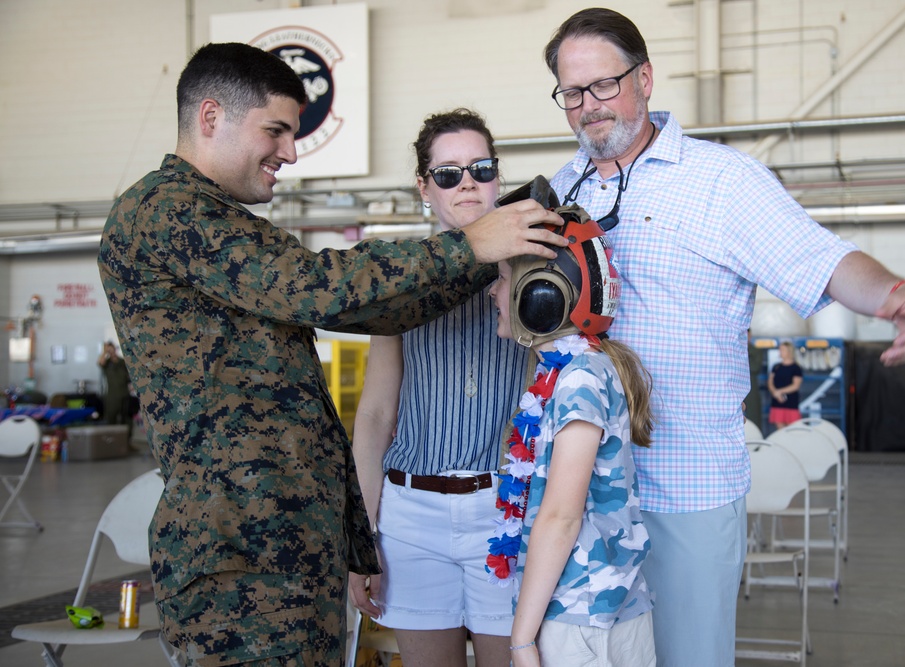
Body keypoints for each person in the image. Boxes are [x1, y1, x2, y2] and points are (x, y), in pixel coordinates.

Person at [98, 43, 566, 667]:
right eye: (277, 130)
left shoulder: (220, 222)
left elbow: (373, 309)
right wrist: (470, 248)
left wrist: (496, 262)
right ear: (210, 117)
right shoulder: (170, 213)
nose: (290, 152)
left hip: (278, 550)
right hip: (241, 557)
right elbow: (320, 289)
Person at [541, 9, 905, 666]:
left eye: (603, 85)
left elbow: (820, 258)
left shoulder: (724, 180)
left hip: (684, 483)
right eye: (572, 93)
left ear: (644, 78)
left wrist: (894, 294)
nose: (589, 107)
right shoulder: (560, 189)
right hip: (582, 492)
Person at [347, 108, 530, 667]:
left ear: (498, 176)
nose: (467, 182)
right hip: (410, 518)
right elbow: (377, 414)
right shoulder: (401, 278)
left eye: (480, 167)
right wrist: (361, 537)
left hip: (507, 510)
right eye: (447, 173)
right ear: (425, 187)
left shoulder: (533, 267)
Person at [488, 201, 656, 667]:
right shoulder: (579, 371)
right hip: (608, 609)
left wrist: (521, 638)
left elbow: (561, 516)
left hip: (580, 619)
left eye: (502, 279)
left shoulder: (579, 376)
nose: (492, 293)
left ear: (540, 295)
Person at [768, 340, 804, 429]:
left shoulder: (796, 368)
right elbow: (770, 382)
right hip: (777, 402)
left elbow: (795, 386)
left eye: (782, 350)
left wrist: (779, 391)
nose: (780, 352)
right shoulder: (776, 367)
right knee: (780, 430)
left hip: (791, 403)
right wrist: (775, 393)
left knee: (792, 430)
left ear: (789, 352)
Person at [97, 341, 131, 428]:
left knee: (126, 420)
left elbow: (129, 376)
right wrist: (105, 352)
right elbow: (100, 362)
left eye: (112, 349)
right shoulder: (107, 363)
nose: (111, 351)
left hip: (124, 394)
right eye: (109, 350)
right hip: (112, 396)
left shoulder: (122, 362)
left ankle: (126, 439)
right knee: (111, 419)